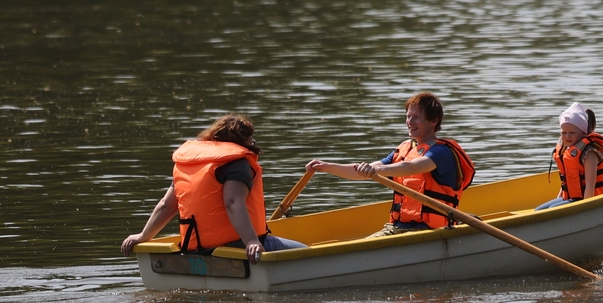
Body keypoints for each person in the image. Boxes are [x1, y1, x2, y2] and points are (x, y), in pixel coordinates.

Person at [120, 114, 305, 261]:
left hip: (196, 249)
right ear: (242, 140)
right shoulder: (236, 162)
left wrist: (144, 236)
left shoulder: (190, 164)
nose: (253, 143)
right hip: (235, 247)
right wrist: (251, 241)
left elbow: (166, 205)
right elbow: (232, 202)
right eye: (251, 139)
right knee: (304, 252)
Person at [305, 93, 474, 235]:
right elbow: (360, 172)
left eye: (416, 117)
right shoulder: (403, 150)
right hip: (399, 227)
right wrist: (325, 166)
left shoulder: (441, 152)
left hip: (431, 230)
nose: (410, 122)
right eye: (408, 116)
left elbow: (412, 167)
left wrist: (375, 169)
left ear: (434, 120)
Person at [539, 103, 603, 209]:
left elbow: (590, 185)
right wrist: (558, 199)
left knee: (551, 210)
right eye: (564, 132)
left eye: (572, 132)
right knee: (539, 210)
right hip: (571, 198)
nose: (567, 136)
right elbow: (567, 182)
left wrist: (585, 209)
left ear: (583, 132)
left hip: (587, 199)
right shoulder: (566, 151)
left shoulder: (589, 153)